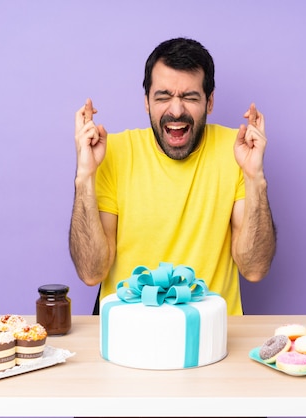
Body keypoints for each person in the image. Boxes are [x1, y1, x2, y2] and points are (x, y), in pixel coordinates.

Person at [69, 37, 276, 315]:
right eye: (163, 97)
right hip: (129, 334)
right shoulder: (113, 152)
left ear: (210, 101)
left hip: (210, 336)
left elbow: (253, 269)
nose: (176, 110)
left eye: (190, 97)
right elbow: (92, 272)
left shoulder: (236, 150)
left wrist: (255, 177)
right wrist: (85, 176)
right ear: (146, 102)